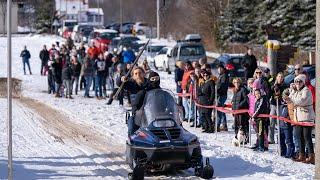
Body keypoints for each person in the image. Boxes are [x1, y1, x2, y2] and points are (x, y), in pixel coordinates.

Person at [287, 74, 315, 164]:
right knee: (300, 137)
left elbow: (301, 101)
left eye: (299, 81)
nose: (298, 83)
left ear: (303, 82)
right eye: (296, 81)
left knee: (307, 137)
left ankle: (311, 156)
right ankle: (301, 155)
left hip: (306, 117)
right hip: (298, 118)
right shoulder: (296, 91)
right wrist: (292, 92)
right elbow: (289, 98)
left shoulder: (306, 90)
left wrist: (291, 99)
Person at [127, 71, 161, 136]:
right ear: (149, 80)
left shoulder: (162, 92)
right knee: (132, 120)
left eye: (156, 78)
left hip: (159, 115)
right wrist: (137, 112)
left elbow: (168, 102)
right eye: (153, 79)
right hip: (145, 115)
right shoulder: (144, 92)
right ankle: (132, 136)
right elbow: (135, 104)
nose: (155, 81)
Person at [269, 72, 287, 144]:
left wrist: (280, 96)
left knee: (280, 123)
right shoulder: (273, 84)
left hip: (280, 105)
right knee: (271, 122)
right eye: (279, 76)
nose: (280, 78)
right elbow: (269, 92)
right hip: (273, 105)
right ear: (277, 77)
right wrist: (273, 88)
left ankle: (281, 139)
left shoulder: (284, 86)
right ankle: (271, 139)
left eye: (281, 77)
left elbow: (285, 95)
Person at [279, 88, 294, 158]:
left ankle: (290, 153)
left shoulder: (291, 104)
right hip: (281, 125)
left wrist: (288, 119)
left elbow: (292, 114)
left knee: (288, 140)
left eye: (286, 98)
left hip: (287, 125)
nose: (284, 99)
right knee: (281, 139)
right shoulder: (282, 105)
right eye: (283, 98)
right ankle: (283, 152)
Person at [216, 64, 229, 131]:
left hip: (222, 95)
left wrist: (217, 90)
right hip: (219, 95)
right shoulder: (220, 76)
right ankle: (224, 124)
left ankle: (217, 125)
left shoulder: (224, 76)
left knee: (219, 110)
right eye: (218, 69)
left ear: (223, 69)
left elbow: (222, 86)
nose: (219, 70)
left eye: (221, 68)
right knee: (222, 109)